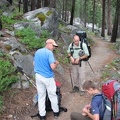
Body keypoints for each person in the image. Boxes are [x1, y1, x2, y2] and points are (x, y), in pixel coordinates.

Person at [34, 39, 59, 120]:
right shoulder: (49, 53)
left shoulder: (38, 51)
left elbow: (34, 63)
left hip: (38, 76)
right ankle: (56, 112)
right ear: (48, 44)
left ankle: (42, 115)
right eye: (53, 45)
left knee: (41, 95)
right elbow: (52, 67)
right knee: (52, 95)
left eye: (54, 46)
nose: (53, 47)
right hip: (47, 77)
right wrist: (56, 63)